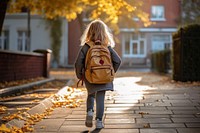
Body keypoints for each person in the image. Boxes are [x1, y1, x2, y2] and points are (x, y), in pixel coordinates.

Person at [74, 19, 121, 129]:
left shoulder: (86, 46)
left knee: (91, 95)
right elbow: (118, 61)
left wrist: (80, 75)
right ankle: (99, 121)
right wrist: (110, 73)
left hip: (90, 76)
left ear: (89, 32)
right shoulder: (107, 47)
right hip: (105, 77)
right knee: (101, 98)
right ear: (104, 32)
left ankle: (90, 112)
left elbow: (78, 63)